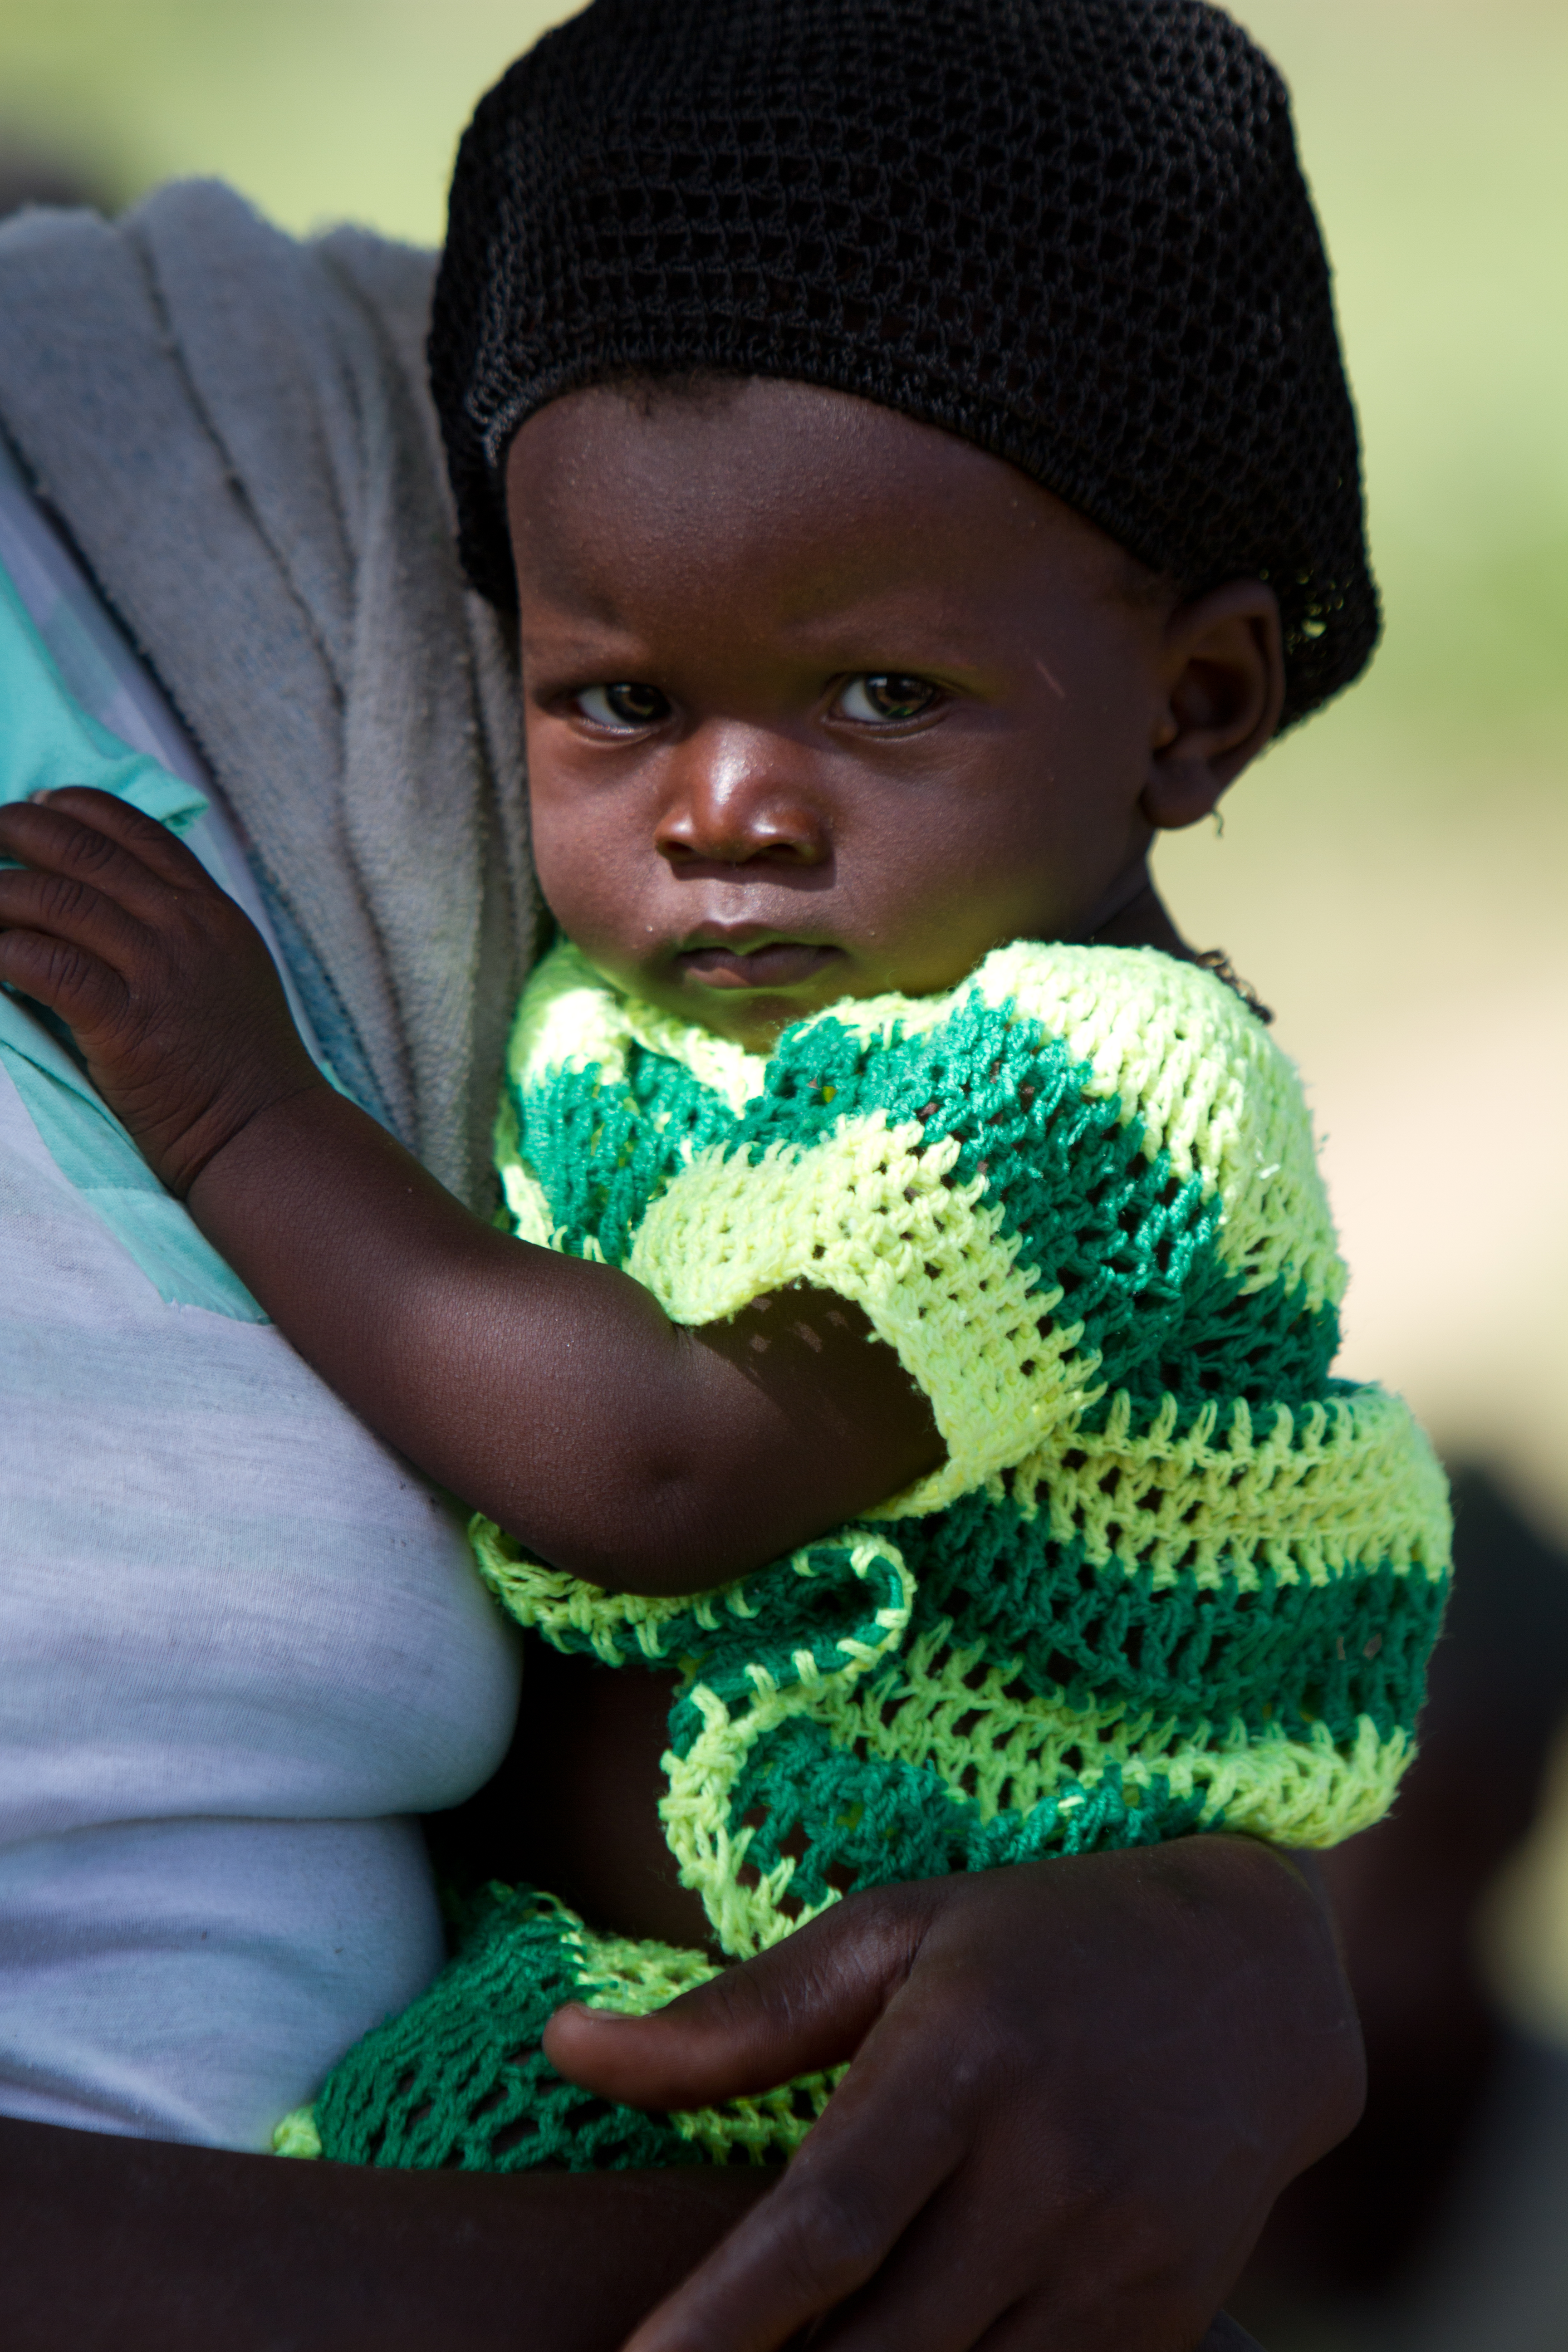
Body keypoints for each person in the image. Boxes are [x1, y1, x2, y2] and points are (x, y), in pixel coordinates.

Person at [0, 1, 1404, 2343]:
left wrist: (243, 1116)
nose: (726, 810)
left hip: (828, 2016)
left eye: (879, 699)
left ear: (1198, 709)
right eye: (623, 703)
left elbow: (656, 1471)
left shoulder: (1104, 1087)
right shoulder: (657, 1003)